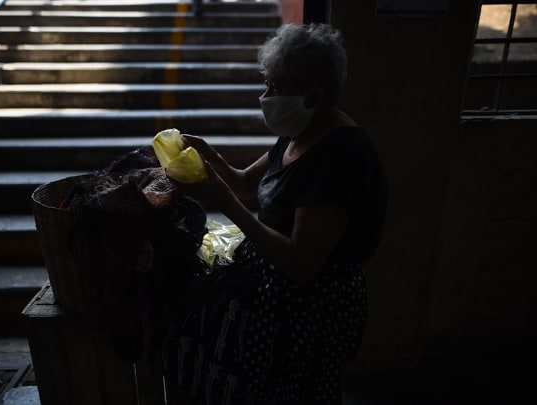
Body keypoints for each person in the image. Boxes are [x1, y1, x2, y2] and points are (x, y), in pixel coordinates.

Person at [162, 23, 388, 404]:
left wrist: (222, 199)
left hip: (308, 306)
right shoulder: (300, 131)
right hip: (271, 281)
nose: (266, 97)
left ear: (314, 95)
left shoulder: (339, 156)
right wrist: (210, 158)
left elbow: (301, 263)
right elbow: (247, 185)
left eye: (276, 87)